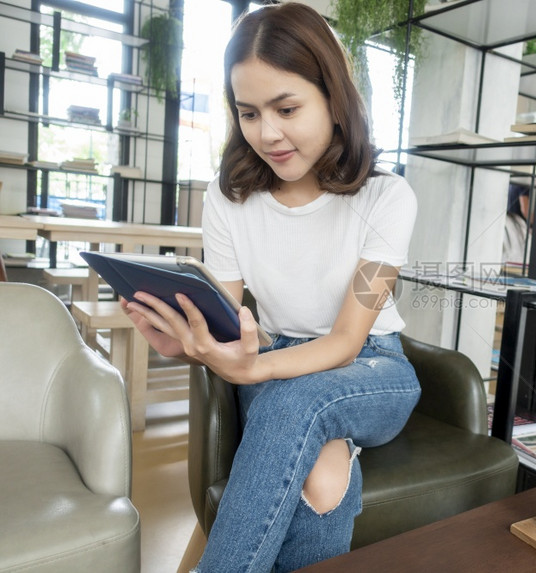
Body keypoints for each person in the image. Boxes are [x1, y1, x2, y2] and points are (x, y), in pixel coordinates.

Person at [120, 3, 421, 571]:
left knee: (293, 403)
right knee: (325, 487)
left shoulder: (387, 198)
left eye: (287, 108)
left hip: (372, 369)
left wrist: (250, 370)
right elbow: (226, 318)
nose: (268, 133)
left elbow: (346, 343)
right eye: (250, 113)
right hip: (279, 354)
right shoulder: (228, 198)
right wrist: (183, 342)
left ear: (334, 98)